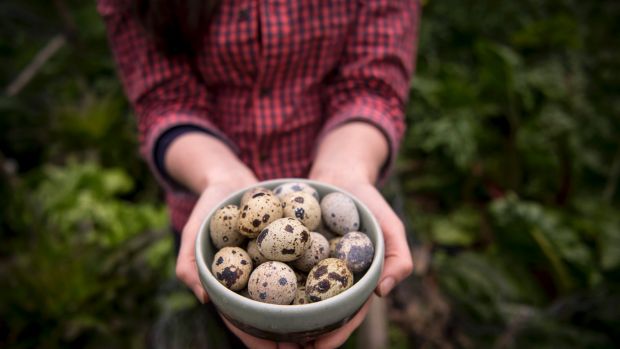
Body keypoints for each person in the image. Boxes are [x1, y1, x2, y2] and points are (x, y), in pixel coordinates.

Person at [98, 0, 419, 347]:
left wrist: (348, 169)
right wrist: (218, 175)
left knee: (349, 320)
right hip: (208, 199)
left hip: (346, 181)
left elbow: (372, 86)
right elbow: (164, 99)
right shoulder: (237, 235)